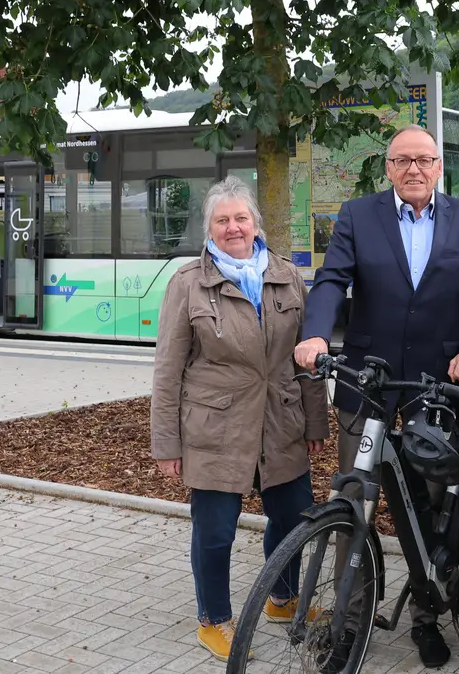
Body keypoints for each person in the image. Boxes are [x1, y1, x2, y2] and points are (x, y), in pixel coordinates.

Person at [294, 124, 459, 668]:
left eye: (424, 160)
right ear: (387, 168)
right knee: (354, 500)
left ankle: (426, 616)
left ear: (440, 167)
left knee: (430, 506)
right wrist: (316, 332)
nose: (414, 169)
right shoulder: (357, 215)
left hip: (436, 385)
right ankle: (349, 622)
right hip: (366, 382)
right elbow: (330, 280)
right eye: (402, 160)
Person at [150, 176, 329, 661]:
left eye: (241, 218)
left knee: (292, 519)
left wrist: (317, 423)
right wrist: (167, 444)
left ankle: (282, 597)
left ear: (256, 223)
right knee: (215, 531)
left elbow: (307, 359)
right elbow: (168, 370)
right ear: (210, 228)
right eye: (223, 220)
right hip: (215, 427)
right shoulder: (188, 283)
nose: (234, 227)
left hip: (282, 421)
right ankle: (213, 620)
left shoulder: (287, 276)